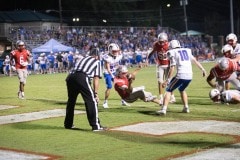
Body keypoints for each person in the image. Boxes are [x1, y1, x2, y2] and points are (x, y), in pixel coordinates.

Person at [157, 40, 206, 115]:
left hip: (181, 74)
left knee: (169, 90)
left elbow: (172, 67)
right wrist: (202, 69)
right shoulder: (187, 50)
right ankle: (186, 107)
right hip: (190, 75)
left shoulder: (172, 52)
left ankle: (164, 109)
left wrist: (168, 80)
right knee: (182, 89)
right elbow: (195, 61)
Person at [64, 48, 107, 131]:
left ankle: (68, 124)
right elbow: (96, 78)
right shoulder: (97, 61)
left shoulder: (82, 58)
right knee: (91, 101)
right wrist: (96, 93)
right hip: (81, 77)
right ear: (97, 56)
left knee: (71, 101)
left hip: (70, 77)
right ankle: (96, 126)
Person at [146, 32, 175, 105]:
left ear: (166, 40)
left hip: (168, 65)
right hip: (160, 65)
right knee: (160, 81)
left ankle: (172, 96)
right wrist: (147, 58)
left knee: (169, 81)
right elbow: (153, 51)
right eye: (160, 41)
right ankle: (161, 97)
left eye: (162, 41)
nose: (161, 43)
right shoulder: (156, 44)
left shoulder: (169, 45)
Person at [102, 43, 130, 108]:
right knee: (109, 86)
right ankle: (105, 102)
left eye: (116, 51)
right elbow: (108, 69)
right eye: (114, 51)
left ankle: (123, 100)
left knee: (123, 85)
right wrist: (112, 76)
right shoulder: (107, 57)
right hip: (107, 73)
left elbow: (117, 64)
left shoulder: (118, 56)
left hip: (114, 72)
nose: (115, 53)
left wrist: (121, 69)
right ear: (110, 50)